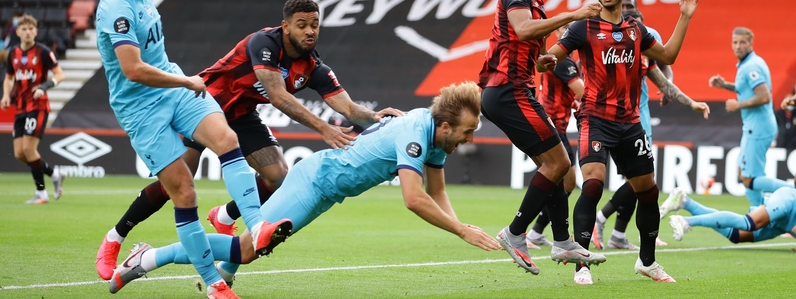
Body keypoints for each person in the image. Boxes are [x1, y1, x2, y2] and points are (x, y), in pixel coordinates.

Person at [95, 0, 402, 281]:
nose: (310, 31)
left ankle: (225, 215)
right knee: (174, 186)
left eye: (315, 25)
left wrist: (377, 118)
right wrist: (323, 127)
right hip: (203, 106)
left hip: (241, 116)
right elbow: (278, 96)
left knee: (277, 175)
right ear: (285, 27)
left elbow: (349, 108)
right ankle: (115, 237)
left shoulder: (313, 67)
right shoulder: (264, 43)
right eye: (302, 25)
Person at [105, 82, 502, 294]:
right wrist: (461, 231)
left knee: (249, 250)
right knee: (247, 249)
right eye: (468, 131)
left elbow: (438, 192)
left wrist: (463, 227)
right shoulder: (417, 133)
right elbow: (414, 198)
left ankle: (223, 270)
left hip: (324, 189)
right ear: (446, 125)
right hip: (315, 181)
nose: (470, 139)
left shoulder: (436, 135)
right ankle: (146, 258)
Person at [95, 0, 289, 299]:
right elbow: (133, 69)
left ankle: (257, 225)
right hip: (141, 108)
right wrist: (185, 81)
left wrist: (180, 82)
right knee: (183, 192)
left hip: (173, 89)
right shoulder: (117, 6)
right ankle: (214, 284)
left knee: (227, 139)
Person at [544, 0, 701, 284]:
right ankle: (582, 265)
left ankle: (647, 262)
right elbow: (548, 58)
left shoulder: (636, 31)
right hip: (595, 119)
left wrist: (684, 16)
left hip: (630, 123)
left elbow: (668, 56)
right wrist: (544, 57)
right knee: (593, 184)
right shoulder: (583, 28)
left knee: (648, 192)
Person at [478, 0, 606, 277]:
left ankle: (562, 240)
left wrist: (543, 60)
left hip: (513, 89)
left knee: (553, 169)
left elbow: (523, 47)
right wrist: (574, 14)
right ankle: (515, 233)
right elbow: (522, 30)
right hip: (508, 90)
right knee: (559, 163)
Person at [592, 8, 680, 250]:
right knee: (638, 180)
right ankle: (602, 218)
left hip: (640, 116)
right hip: (620, 119)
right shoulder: (608, 38)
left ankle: (618, 234)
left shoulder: (648, 37)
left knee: (638, 179)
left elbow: (664, 64)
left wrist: (668, 87)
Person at [709, 28, 792, 207]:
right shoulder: (748, 64)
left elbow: (764, 97)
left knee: (749, 178)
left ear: (751, 44)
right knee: (744, 173)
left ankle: (794, 191)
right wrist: (725, 85)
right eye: (735, 42)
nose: (738, 46)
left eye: (742, 42)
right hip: (754, 127)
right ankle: (759, 212)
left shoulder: (751, 67)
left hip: (759, 127)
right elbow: (746, 88)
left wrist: (738, 105)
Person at [525, 23, 583, 250]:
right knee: (561, 180)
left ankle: (536, 232)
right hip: (552, 126)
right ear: (557, 33)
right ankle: (526, 230)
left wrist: (574, 103)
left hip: (555, 125)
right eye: (564, 28)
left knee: (563, 182)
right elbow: (583, 91)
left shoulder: (561, 61)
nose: (569, 31)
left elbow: (565, 92)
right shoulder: (564, 61)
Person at [0, 14, 65, 204]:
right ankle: (54, 173)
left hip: (38, 106)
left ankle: (41, 193)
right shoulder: (13, 53)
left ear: (36, 31)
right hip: (20, 107)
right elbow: (9, 77)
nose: (28, 32)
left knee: (29, 149)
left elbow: (60, 75)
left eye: (31, 29)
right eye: (24, 29)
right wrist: (6, 95)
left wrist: (44, 87)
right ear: (18, 32)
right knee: (20, 154)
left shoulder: (43, 52)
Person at [665, 172, 796, 244]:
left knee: (736, 235)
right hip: (790, 202)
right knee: (748, 223)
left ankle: (685, 201)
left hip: (787, 222)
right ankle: (686, 221)